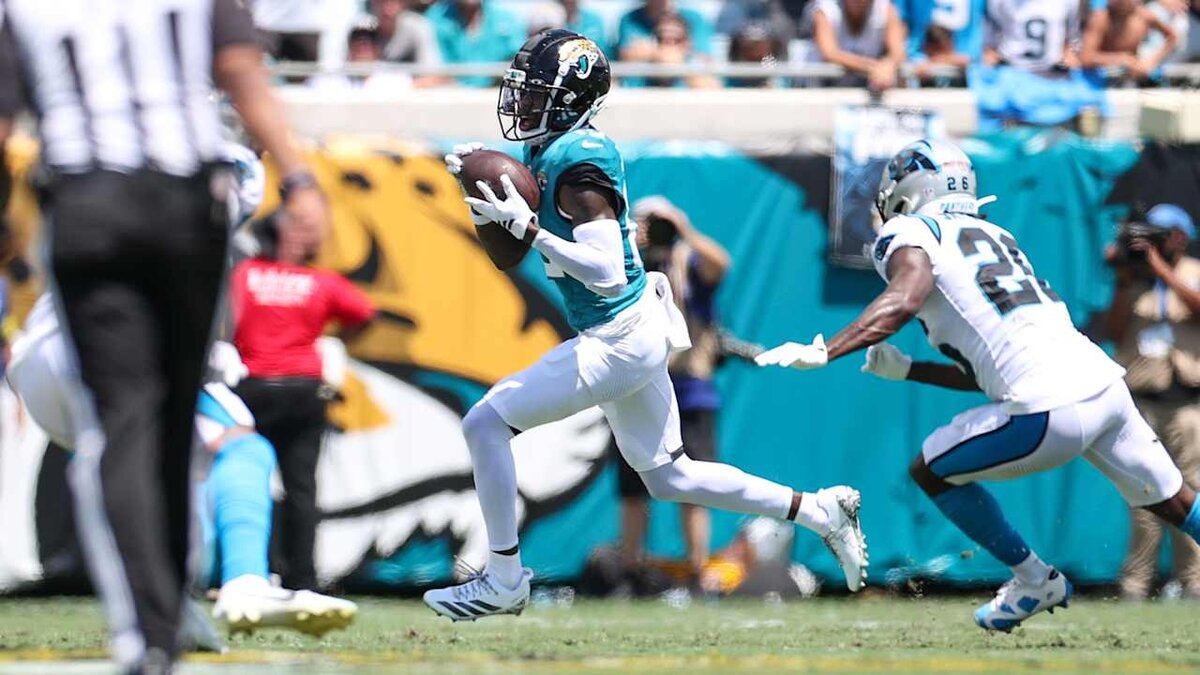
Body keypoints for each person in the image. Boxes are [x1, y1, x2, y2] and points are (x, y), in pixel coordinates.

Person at [423, 29, 868, 621]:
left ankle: (503, 578)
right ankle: (817, 509)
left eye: (535, 92)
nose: (522, 102)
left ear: (570, 98)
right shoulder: (554, 151)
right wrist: (482, 187)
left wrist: (528, 229)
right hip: (631, 328)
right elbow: (523, 249)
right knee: (669, 475)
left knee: (485, 423)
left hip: (618, 335)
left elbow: (606, 272)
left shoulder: (578, 160)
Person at [0, 2, 327, 672]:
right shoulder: (228, 161)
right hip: (177, 209)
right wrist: (300, 179)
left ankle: (154, 624)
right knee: (192, 440)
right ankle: (229, 586)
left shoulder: (31, 10)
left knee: (128, 439)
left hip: (79, 230)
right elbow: (242, 70)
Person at [755, 139, 1200, 632]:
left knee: (931, 470)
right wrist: (910, 370)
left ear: (913, 186)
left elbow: (906, 296)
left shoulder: (912, 230)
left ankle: (1034, 578)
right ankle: (1034, 580)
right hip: (1104, 387)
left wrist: (829, 348)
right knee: (1179, 503)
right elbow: (993, 371)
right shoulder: (995, 234)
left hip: (1049, 407)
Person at [230, 206, 376, 593]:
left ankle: (251, 573)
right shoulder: (319, 281)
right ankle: (303, 580)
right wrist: (337, 340)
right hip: (303, 388)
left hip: (251, 387)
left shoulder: (242, 276)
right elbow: (364, 312)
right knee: (301, 488)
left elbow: (223, 322)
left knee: (248, 481)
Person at [614, 196, 732, 592]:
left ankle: (698, 568)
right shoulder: (628, 263)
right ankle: (631, 569)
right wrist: (630, 242)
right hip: (636, 386)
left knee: (694, 483)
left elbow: (721, 264)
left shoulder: (688, 263)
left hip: (688, 388)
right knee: (633, 486)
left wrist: (683, 229)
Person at [1106, 204, 1200, 600]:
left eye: (1160, 236)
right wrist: (1124, 278)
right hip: (1142, 401)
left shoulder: (1193, 270)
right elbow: (1113, 330)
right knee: (1143, 492)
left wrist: (1162, 270)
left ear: (1180, 237)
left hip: (1189, 401)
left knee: (1192, 489)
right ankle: (1136, 584)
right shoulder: (1133, 278)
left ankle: (1195, 581)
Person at [808, 0, 907, 90]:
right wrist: (874, 68)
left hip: (866, 90)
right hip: (819, 89)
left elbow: (898, 53)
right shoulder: (825, 9)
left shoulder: (885, 8)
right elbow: (829, 53)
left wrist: (888, 65)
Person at [427, 0, 527, 87]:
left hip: (497, 91)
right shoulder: (434, 20)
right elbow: (432, 71)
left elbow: (519, 62)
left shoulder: (506, 18)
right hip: (450, 94)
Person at [616, 0, 715, 86]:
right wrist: (670, 58)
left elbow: (705, 63)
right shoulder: (630, 19)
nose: (668, 44)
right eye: (660, 39)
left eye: (676, 40)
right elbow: (626, 55)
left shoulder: (695, 17)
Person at [1080, 0, 1178, 83]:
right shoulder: (1100, 18)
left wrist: (1151, 62)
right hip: (1101, 79)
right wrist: (1122, 59)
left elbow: (1172, 37)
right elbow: (1086, 58)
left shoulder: (1144, 16)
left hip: (1131, 79)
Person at [984, 0, 1082, 72]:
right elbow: (990, 43)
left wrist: (1070, 54)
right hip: (1011, 69)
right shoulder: (998, 2)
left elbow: (1073, 39)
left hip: (1054, 73)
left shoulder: (1070, 2)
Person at [371, 0, 447, 86]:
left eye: (392, 1)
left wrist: (401, 87)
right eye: (381, 1)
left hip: (413, 93)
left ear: (402, 3)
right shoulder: (363, 31)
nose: (387, 9)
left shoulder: (418, 27)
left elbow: (433, 75)